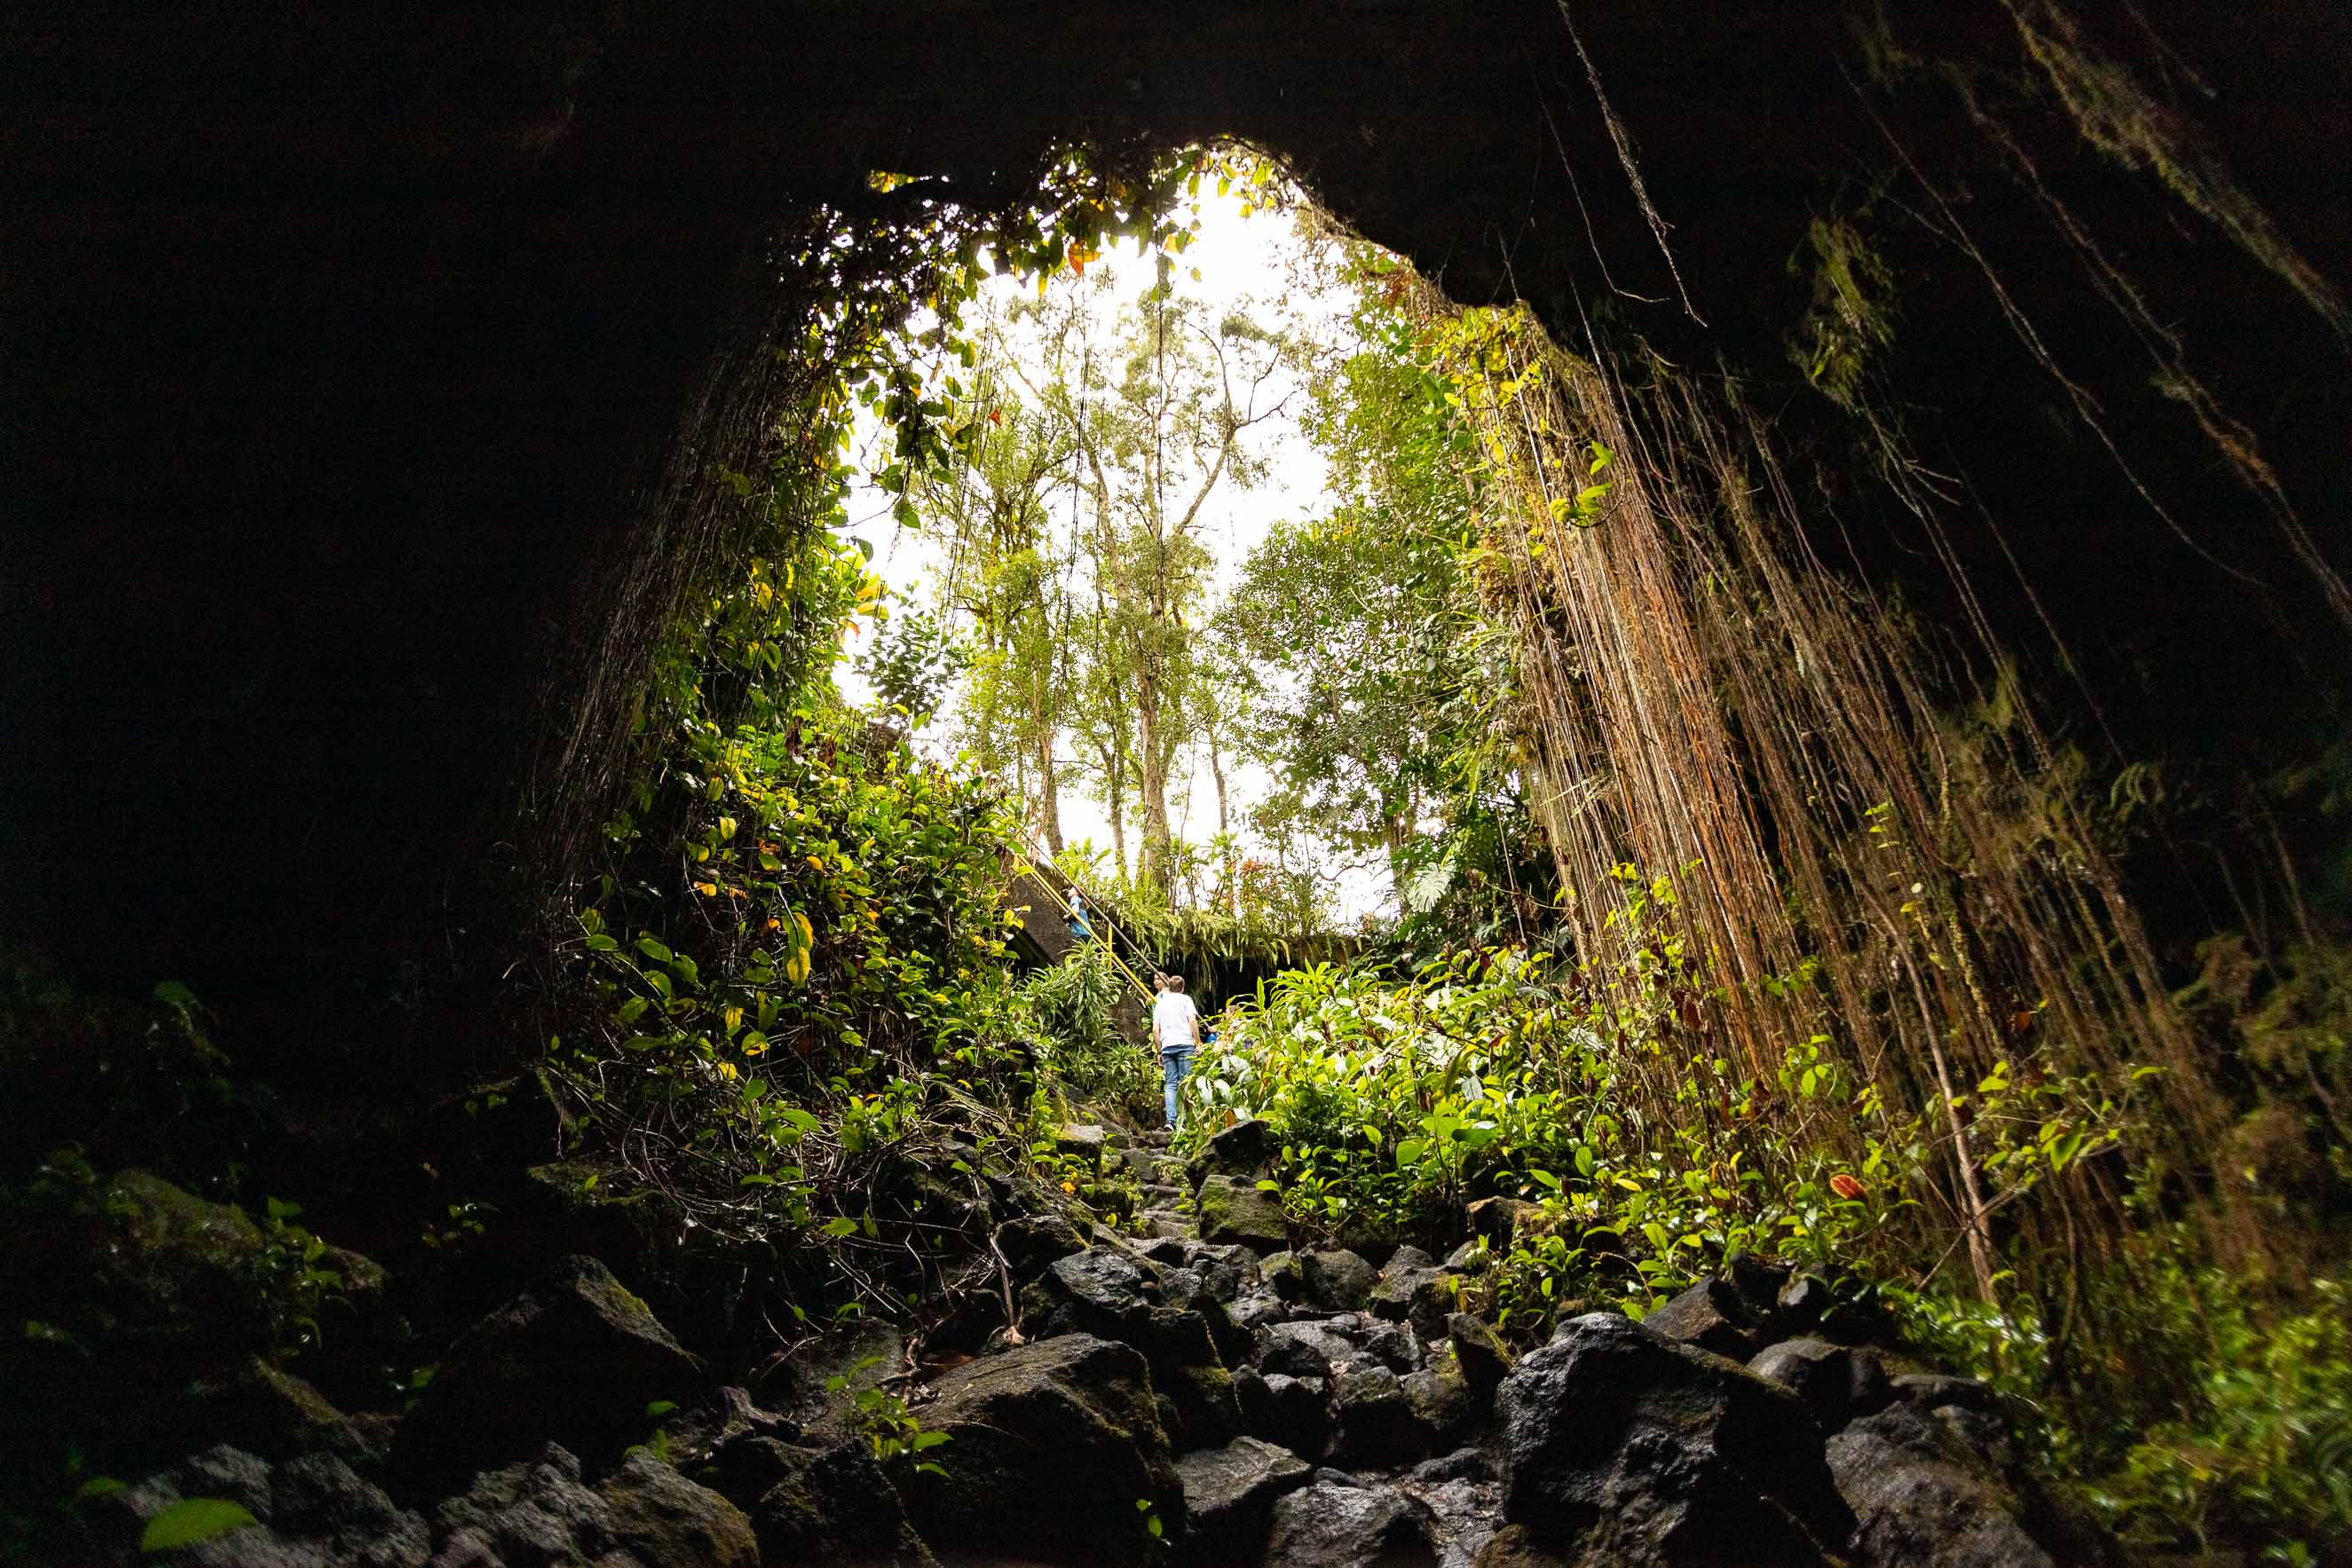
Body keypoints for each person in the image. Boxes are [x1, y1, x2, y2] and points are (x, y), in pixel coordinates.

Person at [1151, 971, 1202, 1131]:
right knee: (1185, 1083)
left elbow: (1155, 1029)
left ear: (1169, 987)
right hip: (1185, 1044)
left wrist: (1159, 1051)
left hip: (1167, 1046)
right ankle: (1184, 1121)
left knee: (1171, 1084)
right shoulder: (1186, 1000)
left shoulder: (1160, 1002)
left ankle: (1170, 1121)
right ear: (1182, 988)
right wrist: (1198, 1043)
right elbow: (1192, 1021)